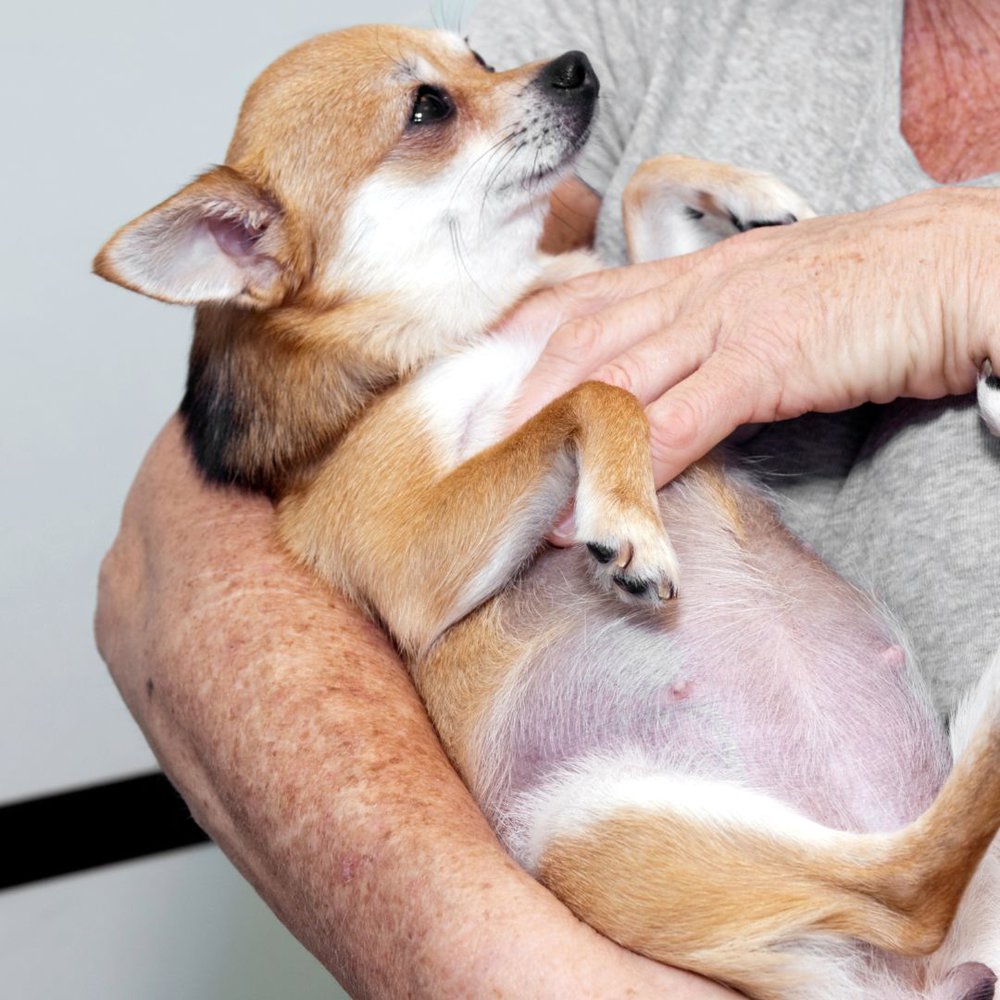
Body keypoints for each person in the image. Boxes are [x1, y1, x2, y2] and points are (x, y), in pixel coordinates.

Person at [95, 0, 1000, 995]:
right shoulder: (656, 27)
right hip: (767, 872)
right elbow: (168, 557)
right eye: (433, 109)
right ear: (253, 250)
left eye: (471, 68)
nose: (521, 77)